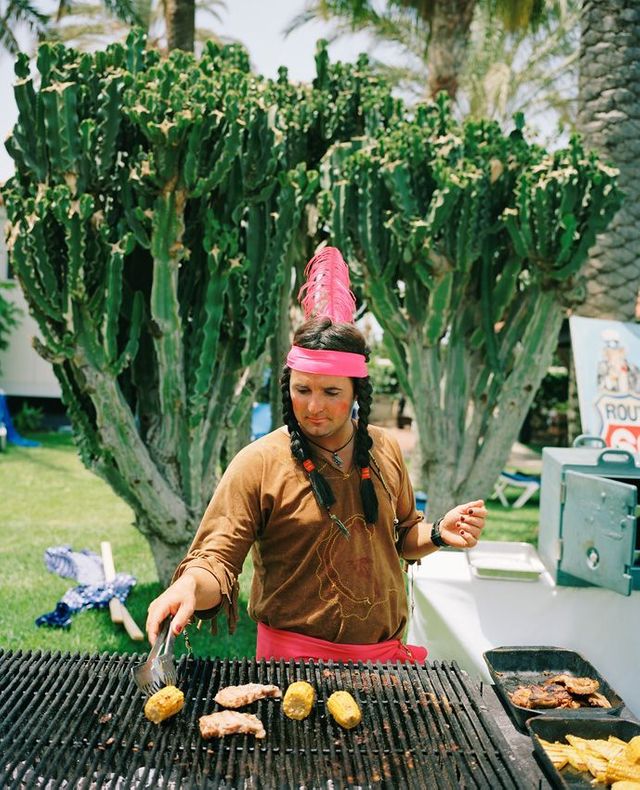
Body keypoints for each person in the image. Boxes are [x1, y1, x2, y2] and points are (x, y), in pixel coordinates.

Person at [146, 247, 487, 662]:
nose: (313, 407)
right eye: (302, 389)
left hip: (384, 662)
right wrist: (188, 585)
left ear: (357, 392)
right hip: (291, 663)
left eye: (331, 392)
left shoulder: (384, 448)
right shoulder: (259, 463)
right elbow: (216, 558)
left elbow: (400, 538)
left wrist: (437, 534)